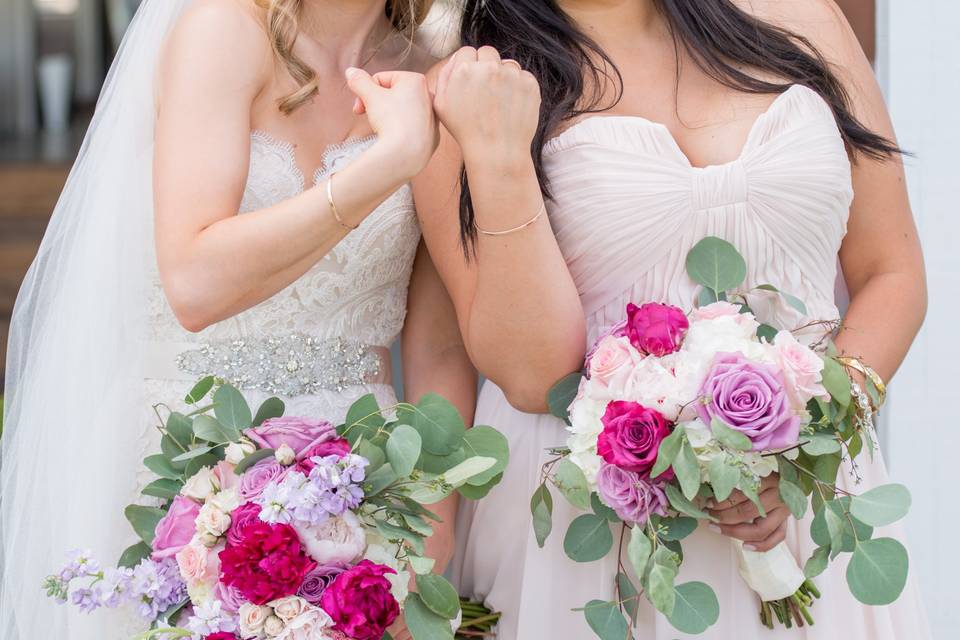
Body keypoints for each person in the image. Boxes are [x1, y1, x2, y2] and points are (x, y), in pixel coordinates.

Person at [413, 0, 931, 637]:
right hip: (599, 526)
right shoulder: (467, 90)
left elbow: (892, 274)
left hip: (805, 501)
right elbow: (531, 375)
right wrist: (500, 158)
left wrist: (799, 445)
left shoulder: (805, 17)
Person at [0, 1, 473, 638]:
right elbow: (195, 284)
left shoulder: (431, 72)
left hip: (363, 490)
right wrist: (391, 161)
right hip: (182, 466)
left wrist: (429, 540)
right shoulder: (223, 28)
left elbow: (440, 344)